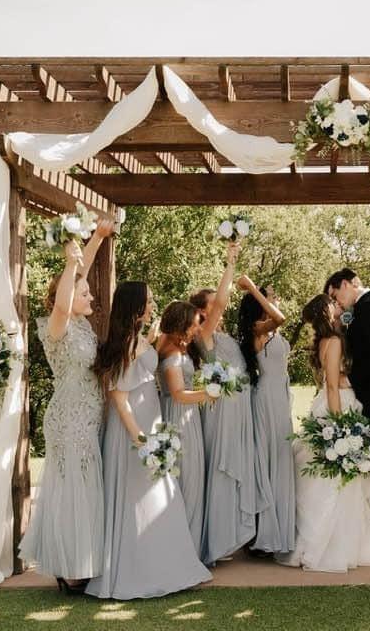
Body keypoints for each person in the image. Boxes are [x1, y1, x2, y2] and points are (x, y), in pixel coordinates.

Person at [86, 281, 211, 599]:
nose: (154, 305)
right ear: (136, 307)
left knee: (160, 497)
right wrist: (142, 440)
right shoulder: (127, 344)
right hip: (134, 431)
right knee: (141, 498)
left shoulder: (139, 339)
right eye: (150, 301)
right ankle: (142, 572)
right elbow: (120, 399)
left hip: (150, 422)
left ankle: (166, 567)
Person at [19, 221, 113, 594]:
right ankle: (69, 565)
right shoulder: (57, 326)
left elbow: (79, 276)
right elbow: (65, 296)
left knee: (87, 488)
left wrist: (97, 239)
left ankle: (82, 559)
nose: (91, 296)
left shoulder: (83, 326)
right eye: (84, 293)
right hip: (68, 417)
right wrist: (71, 261)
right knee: (74, 489)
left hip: (89, 414)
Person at [275, 294, 370, 572]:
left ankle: (343, 543)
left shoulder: (326, 340)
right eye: (332, 303)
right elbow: (333, 386)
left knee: (336, 480)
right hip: (336, 407)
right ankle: (333, 547)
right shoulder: (335, 341)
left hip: (329, 403)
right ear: (326, 312)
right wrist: (339, 427)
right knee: (338, 479)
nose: (337, 304)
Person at [191, 242, 269, 565]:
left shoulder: (224, 336)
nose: (220, 308)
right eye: (213, 305)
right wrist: (230, 263)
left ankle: (231, 536)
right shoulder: (202, 334)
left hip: (240, 408)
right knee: (222, 470)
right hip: (222, 410)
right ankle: (216, 541)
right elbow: (223, 301)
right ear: (202, 312)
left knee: (239, 466)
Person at [325, 269, 370, 540]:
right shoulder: (361, 308)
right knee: (365, 460)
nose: (337, 302)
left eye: (336, 295)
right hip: (367, 396)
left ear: (346, 284)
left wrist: (348, 378)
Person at [236, 276, 296, 557]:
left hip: (280, 397)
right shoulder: (257, 329)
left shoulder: (271, 331)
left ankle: (280, 528)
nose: (276, 298)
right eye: (271, 295)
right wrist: (251, 288)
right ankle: (264, 533)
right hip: (267, 399)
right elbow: (280, 317)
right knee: (269, 457)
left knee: (281, 457)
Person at [156, 300, 215, 555]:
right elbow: (178, 394)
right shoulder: (172, 354)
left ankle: (186, 548)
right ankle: (184, 552)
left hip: (183, 416)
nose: (197, 329)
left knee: (187, 479)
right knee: (188, 480)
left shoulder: (169, 345)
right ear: (182, 324)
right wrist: (210, 393)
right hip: (179, 419)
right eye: (194, 325)